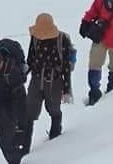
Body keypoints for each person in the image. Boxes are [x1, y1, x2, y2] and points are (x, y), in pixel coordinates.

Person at [25, 13, 76, 146]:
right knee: (29, 110)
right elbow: (30, 59)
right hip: (36, 79)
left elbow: (65, 65)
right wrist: (22, 75)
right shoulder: (34, 38)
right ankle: (24, 144)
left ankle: (55, 134)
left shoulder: (62, 39)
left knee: (53, 108)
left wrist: (66, 89)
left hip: (54, 80)